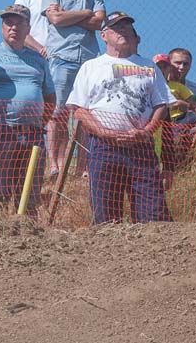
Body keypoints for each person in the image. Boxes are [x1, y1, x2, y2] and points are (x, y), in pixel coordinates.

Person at [67, 12, 171, 224]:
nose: (123, 30)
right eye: (117, 27)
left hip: (141, 148)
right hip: (103, 147)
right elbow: (78, 109)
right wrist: (104, 132)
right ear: (104, 35)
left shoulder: (149, 67)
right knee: (105, 214)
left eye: (127, 26)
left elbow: (161, 104)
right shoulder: (91, 67)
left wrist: (146, 132)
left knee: (153, 214)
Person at [0, 5, 55, 213]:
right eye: (8, 23)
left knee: (29, 195)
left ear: (28, 28)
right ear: (2, 27)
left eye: (19, 23)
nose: (13, 28)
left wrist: (38, 122)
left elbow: (50, 96)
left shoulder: (38, 60)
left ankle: (27, 230)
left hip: (32, 134)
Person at [43, 0, 106, 178]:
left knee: (85, 114)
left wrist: (68, 15)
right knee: (57, 112)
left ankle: (83, 167)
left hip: (88, 60)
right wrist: (86, 13)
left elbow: (100, 22)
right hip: (62, 57)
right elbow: (56, 20)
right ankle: (55, 164)